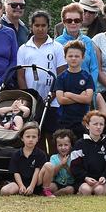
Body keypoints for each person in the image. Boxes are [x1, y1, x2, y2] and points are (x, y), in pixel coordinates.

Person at [16, 10, 67, 153]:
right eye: (36, 25)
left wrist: (53, 95)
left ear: (48, 26)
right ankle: (38, 169)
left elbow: (61, 73)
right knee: (35, 137)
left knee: (52, 137)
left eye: (43, 25)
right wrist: (29, 97)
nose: (40, 28)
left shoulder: (56, 47)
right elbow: (20, 76)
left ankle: (52, 169)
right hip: (33, 102)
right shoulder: (23, 49)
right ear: (31, 26)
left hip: (53, 101)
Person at [70, 111, 106, 196]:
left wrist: (104, 177)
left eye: (101, 124)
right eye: (95, 124)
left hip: (102, 181)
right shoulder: (79, 144)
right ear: (87, 125)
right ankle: (79, 191)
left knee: (99, 190)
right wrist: (85, 177)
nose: (98, 127)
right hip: (84, 180)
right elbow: (75, 166)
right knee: (86, 190)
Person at [55, 2, 98, 90]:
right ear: (64, 22)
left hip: (86, 91)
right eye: (69, 20)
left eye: (77, 20)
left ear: (81, 21)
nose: (73, 23)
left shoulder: (88, 41)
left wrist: (90, 88)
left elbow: (94, 68)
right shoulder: (57, 43)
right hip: (65, 92)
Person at [56, 40, 95, 137]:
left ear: (83, 57)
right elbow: (61, 100)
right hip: (65, 120)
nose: (73, 58)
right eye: (70, 56)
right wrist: (80, 97)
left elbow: (88, 99)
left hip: (83, 121)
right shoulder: (61, 77)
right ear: (65, 57)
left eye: (77, 56)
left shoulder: (87, 77)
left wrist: (69, 95)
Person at [0, 122, 47, 196]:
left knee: (52, 186)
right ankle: (21, 190)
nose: (31, 139)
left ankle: (39, 191)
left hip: (35, 184)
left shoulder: (41, 154)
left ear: (38, 138)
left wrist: (31, 187)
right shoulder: (16, 154)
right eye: (28, 136)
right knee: (4, 191)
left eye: (34, 137)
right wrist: (21, 186)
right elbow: (16, 172)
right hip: (19, 183)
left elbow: (37, 171)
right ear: (22, 138)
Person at [38, 129, 77, 197]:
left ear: (71, 145)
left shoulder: (73, 157)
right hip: (56, 182)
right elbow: (52, 173)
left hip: (70, 184)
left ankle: (56, 194)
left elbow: (75, 174)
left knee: (69, 189)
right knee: (51, 186)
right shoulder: (54, 157)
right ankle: (50, 192)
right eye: (60, 145)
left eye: (66, 145)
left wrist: (66, 166)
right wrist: (61, 164)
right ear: (56, 146)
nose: (63, 148)